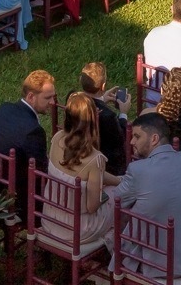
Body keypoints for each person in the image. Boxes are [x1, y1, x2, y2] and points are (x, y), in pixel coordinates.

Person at [113, 113, 181, 278]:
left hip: (152, 262)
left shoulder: (137, 170)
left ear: (154, 139)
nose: (131, 141)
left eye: (137, 136)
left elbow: (118, 201)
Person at [43, 92, 121, 248]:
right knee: (120, 198)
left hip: (50, 219)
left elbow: (75, 175)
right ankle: (116, 254)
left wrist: (119, 180)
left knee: (117, 186)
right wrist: (106, 194)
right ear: (92, 119)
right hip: (78, 230)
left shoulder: (56, 138)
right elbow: (92, 206)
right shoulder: (95, 159)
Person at [0, 70, 56, 214]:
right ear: (31, 96)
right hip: (19, 201)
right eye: (48, 98)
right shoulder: (33, 131)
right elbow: (41, 173)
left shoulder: (4, 109)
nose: (52, 103)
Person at [79, 62, 130, 176]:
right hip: (107, 167)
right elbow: (121, 139)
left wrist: (101, 99)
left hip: (80, 155)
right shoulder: (108, 116)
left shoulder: (74, 101)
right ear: (103, 86)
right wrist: (123, 114)